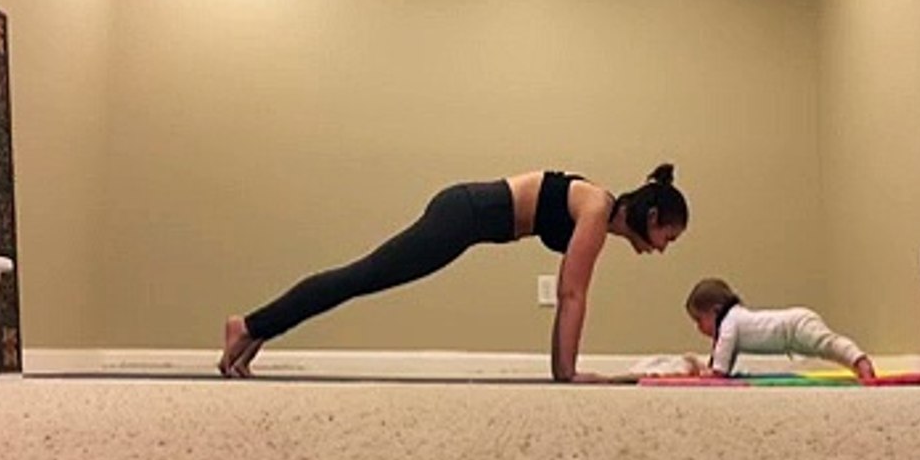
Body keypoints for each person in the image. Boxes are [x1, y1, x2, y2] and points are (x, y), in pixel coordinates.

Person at [219, 165, 689, 382]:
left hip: (465, 214)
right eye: (668, 236)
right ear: (652, 218)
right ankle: (248, 325)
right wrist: (568, 374)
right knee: (363, 276)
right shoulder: (596, 209)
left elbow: (571, 294)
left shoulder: (597, 212)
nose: (663, 249)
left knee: (362, 277)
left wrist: (565, 372)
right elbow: (572, 294)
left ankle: (256, 330)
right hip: (464, 213)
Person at [684, 278, 875, 380]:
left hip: (794, 326)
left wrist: (714, 372)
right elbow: (724, 358)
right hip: (791, 330)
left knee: (827, 344)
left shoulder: (729, 322)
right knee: (826, 349)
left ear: (716, 311)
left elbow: (721, 363)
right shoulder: (733, 319)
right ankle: (856, 364)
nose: (698, 327)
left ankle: (859, 360)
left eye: (699, 319)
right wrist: (710, 369)